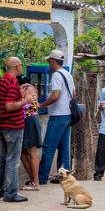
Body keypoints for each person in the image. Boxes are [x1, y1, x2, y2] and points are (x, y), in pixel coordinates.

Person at [0, 56, 36, 203]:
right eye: (21, 64)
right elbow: (9, 106)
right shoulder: (11, 82)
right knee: (13, 160)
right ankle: (10, 193)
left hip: (4, 125)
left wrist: (19, 90)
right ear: (17, 66)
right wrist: (25, 101)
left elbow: (7, 100)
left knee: (2, 159)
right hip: (14, 126)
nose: (22, 67)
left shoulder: (3, 81)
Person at [38, 50, 75, 185]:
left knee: (48, 147)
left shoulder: (56, 76)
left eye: (49, 60)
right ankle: (63, 176)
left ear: (53, 61)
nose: (49, 63)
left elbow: (55, 96)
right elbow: (74, 93)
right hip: (68, 115)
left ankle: (41, 177)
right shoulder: (67, 74)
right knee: (64, 148)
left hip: (58, 115)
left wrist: (42, 105)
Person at [17, 75, 42, 191]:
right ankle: (33, 180)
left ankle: (36, 183)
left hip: (29, 120)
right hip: (32, 119)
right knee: (23, 153)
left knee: (31, 153)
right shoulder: (33, 89)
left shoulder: (24, 89)